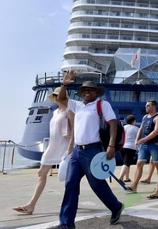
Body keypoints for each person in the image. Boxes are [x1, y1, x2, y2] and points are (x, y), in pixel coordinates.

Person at [50, 71, 123, 229]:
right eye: (84, 90)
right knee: (70, 185)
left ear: (96, 92)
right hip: (77, 152)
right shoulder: (77, 105)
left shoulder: (102, 104)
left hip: (93, 151)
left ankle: (116, 207)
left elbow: (113, 124)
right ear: (81, 93)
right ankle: (66, 223)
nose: (87, 91)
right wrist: (64, 84)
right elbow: (62, 98)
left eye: (91, 89)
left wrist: (111, 146)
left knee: (97, 185)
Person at [12, 87, 74, 215]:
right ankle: (31, 205)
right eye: (55, 96)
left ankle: (70, 201)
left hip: (65, 147)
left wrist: (71, 147)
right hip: (52, 147)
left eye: (59, 95)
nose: (57, 98)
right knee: (41, 173)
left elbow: (74, 130)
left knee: (70, 178)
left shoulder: (69, 110)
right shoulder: (55, 112)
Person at [127, 100, 158, 193]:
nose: (146, 107)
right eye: (146, 105)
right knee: (139, 164)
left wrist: (144, 139)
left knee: (157, 165)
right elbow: (141, 128)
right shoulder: (145, 117)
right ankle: (134, 185)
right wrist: (137, 139)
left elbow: (156, 131)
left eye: (148, 105)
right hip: (144, 145)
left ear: (154, 106)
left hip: (154, 145)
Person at [118, 115, 138, 183]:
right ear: (133, 121)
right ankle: (121, 177)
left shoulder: (123, 128)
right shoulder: (136, 128)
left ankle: (127, 177)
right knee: (126, 163)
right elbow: (138, 138)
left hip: (123, 146)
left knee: (126, 162)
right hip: (131, 147)